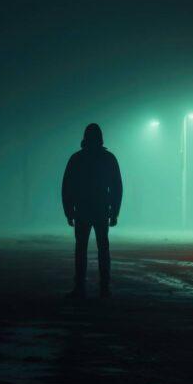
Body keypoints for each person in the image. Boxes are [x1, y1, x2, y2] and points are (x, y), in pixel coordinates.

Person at [62, 123, 123, 298]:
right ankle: (104, 288)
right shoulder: (108, 158)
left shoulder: (77, 158)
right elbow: (116, 187)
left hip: (82, 210)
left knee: (81, 249)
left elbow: (67, 186)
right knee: (103, 248)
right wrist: (114, 211)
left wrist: (69, 210)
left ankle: (80, 287)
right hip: (101, 209)